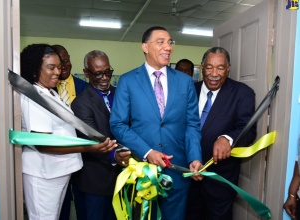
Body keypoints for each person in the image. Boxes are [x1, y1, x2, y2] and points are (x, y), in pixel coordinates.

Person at [109, 26, 203, 220]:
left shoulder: (185, 82)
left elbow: (192, 124)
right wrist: (148, 152)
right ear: (145, 46)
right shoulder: (128, 81)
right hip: (143, 172)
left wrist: (194, 157)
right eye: (161, 42)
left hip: (178, 170)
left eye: (170, 42)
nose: (168, 47)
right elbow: (118, 124)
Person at [20, 43, 117, 220]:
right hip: (44, 173)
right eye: (51, 67)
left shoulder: (51, 93)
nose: (58, 72)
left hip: (57, 172)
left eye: (59, 66)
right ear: (36, 68)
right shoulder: (35, 97)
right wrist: (88, 148)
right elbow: (43, 144)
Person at [186, 47, 257, 220]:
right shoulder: (188, 90)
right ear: (202, 67)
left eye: (220, 68)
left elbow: (248, 131)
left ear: (228, 68)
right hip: (187, 176)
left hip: (220, 180)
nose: (214, 73)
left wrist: (228, 138)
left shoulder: (243, 93)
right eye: (209, 67)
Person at [71, 50, 131, 220]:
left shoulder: (121, 94)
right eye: (98, 74)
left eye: (108, 72)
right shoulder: (81, 104)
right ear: (86, 73)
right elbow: (94, 140)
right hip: (96, 180)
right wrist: (115, 155)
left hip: (123, 176)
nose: (105, 78)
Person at [52, 44, 88, 220]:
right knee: (61, 202)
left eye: (66, 61)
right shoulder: (46, 90)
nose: (64, 66)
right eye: (59, 63)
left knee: (83, 201)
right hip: (57, 155)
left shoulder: (84, 87)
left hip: (84, 155)